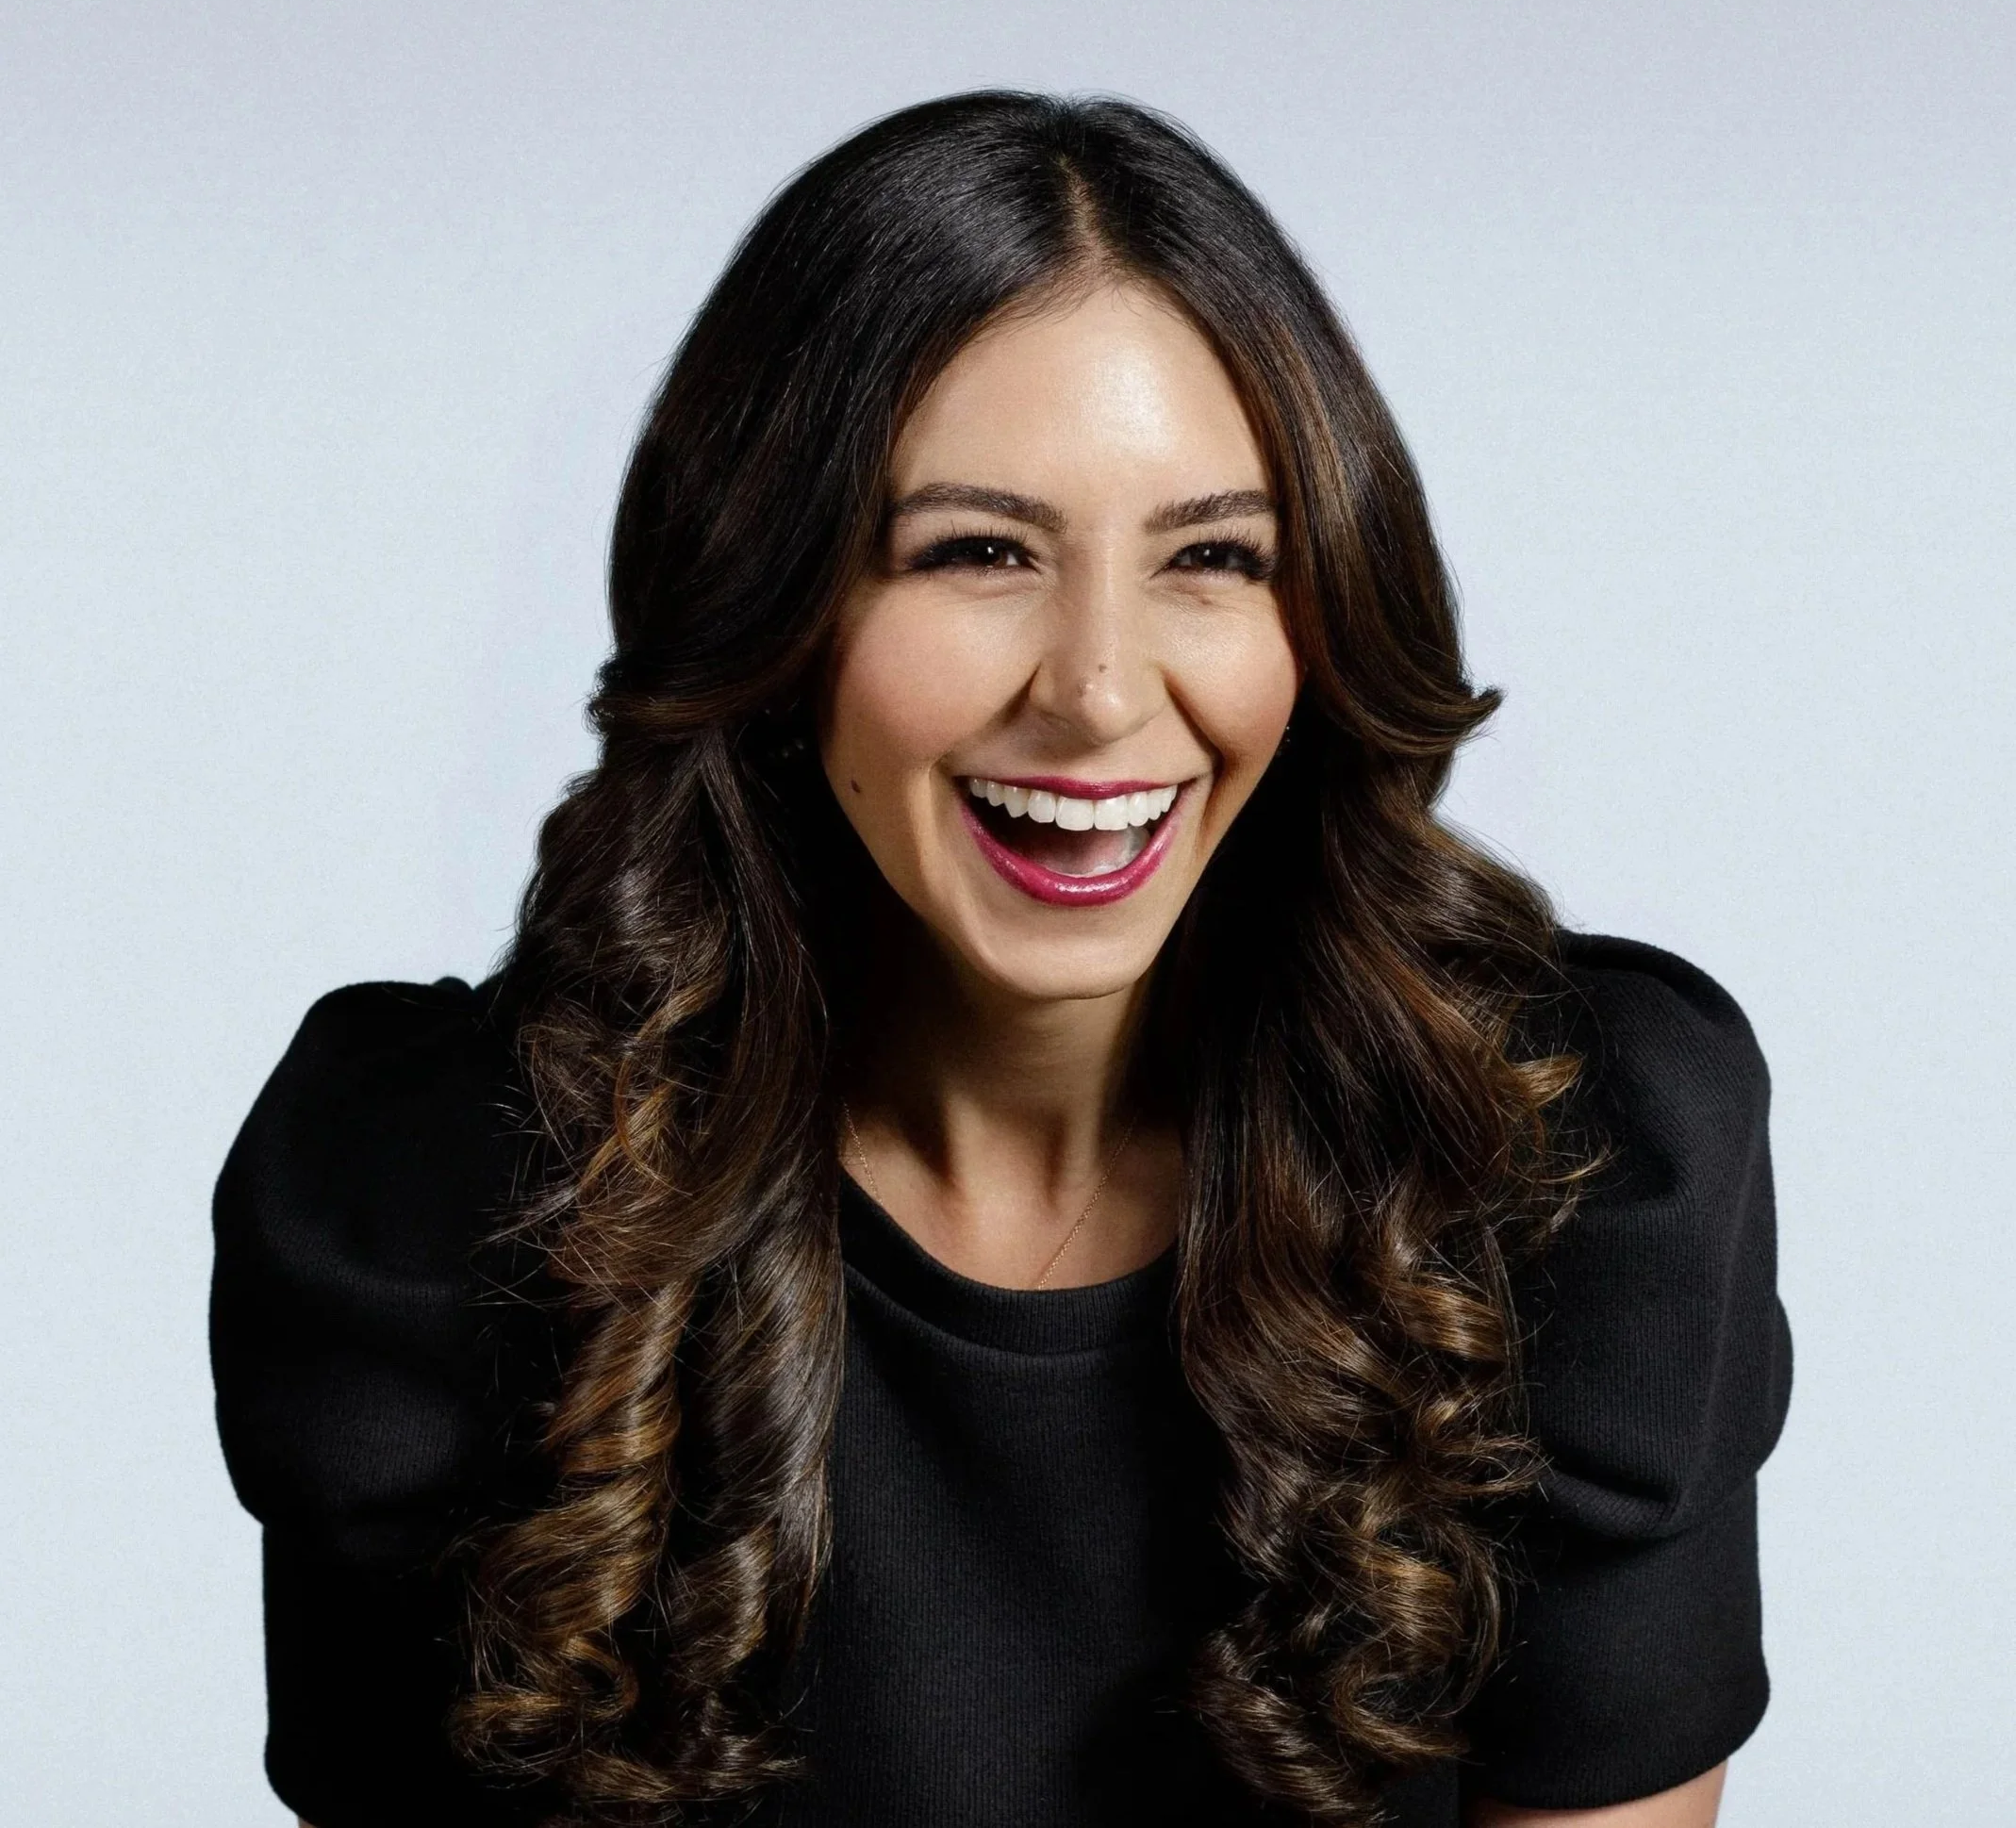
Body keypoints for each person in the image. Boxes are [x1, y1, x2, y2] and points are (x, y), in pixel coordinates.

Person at [211, 92, 1791, 1828]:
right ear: (777, 602)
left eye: (1210, 557)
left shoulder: (1576, 1162)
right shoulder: (427, 1201)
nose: (1099, 689)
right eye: (976, 553)